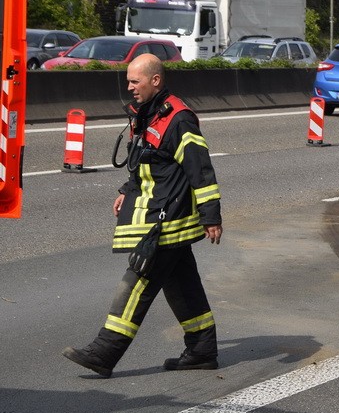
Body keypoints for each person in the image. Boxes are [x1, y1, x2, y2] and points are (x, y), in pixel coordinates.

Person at [62, 54, 223, 378]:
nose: (129, 87)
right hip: (158, 214)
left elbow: (200, 169)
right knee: (183, 285)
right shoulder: (148, 114)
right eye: (128, 81)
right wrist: (126, 188)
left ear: (155, 80)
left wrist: (211, 216)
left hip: (167, 219)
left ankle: (104, 352)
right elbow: (145, 160)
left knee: (137, 281)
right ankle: (202, 350)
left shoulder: (178, 119)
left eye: (135, 81)